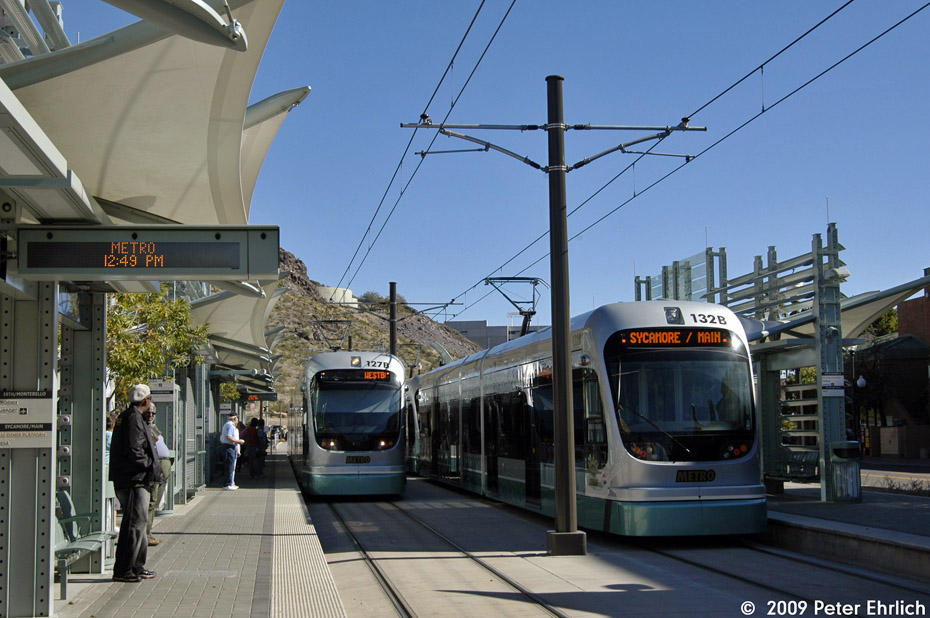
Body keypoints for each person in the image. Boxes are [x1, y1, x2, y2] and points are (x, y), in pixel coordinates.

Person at [109, 384, 164, 583]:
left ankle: (136, 566)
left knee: (137, 525)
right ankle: (124, 569)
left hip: (133, 479)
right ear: (145, 401)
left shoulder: (128, 416)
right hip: (135, 480)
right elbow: (135, 450)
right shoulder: (133, 419)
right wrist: (150, 465)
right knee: (134, 525)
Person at [145, 403, 172, 546]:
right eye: (148, 412)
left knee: (155, 504)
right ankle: (145, 534)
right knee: (150, 502)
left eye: (153, 413)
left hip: (163, 466)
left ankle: (148, 533)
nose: (150, 415)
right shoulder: (141, 427)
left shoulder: (152, 427)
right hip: (155, 467)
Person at [221, 412, 245, 489]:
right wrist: (239, 441)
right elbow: (229, 437)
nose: (237, 420)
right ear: (235, 418)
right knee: (230, 465)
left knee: (231, 465)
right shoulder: (230, 425)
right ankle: (228, 484)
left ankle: (231, 482)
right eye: (237, 418)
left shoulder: (227, 425)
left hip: (230, 447)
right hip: (229, 447)